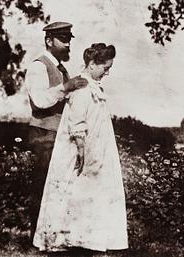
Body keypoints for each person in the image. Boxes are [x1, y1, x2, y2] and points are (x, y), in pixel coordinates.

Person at [33, 43, 128, 253]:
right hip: (81, 149)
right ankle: (69, 240)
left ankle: (87, 239)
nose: (107, 72)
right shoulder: (82, 87)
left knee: (89, 193)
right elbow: (77, 121)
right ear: (93, 64)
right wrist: (81, 149)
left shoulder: (93, 86)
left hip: (96, 148)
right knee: (74, 192)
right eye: (105, 68)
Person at [25, 21, 88, 241]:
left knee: (58, 186)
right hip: (43, 134)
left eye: (69, 40)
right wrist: (67, 87)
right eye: (63, 40)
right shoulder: (38, 66)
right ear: (49, 41)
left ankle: (52, 237)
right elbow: (40, 101)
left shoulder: (62, 69)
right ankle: (37, 238)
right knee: (43, 185)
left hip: (58, 134)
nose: (67, 45)